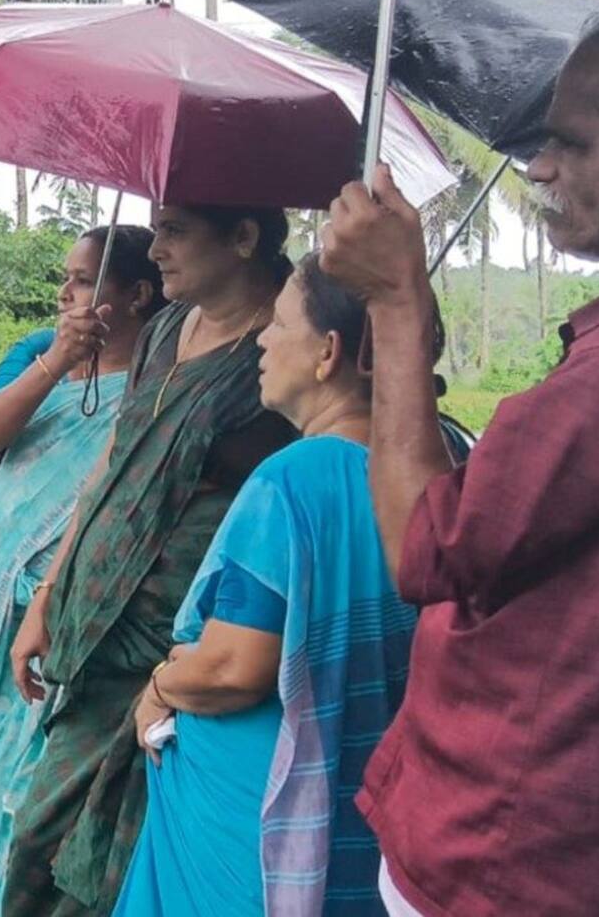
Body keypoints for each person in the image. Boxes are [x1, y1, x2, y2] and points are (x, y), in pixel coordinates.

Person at [323, 0, 599, 916]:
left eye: (572, 142)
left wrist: (397, 305)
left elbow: (425, 548)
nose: (539, 167)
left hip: (506, 855)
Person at [4, 205, 297, 917]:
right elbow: (113, 464)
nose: (156, 247)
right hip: (96, 635)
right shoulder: (168, 328)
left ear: (244, 236)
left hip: (183, 655)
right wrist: (49, 592)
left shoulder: (286, 349)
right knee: (38, 847)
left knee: (121, 867)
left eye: (175, 230)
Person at [115, 255, 421, 917]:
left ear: (328, 353)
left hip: (248, 820)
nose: (262, 340)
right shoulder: (434, 474)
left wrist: (160, 687)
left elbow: (234, 667)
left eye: (279, 324)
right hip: (361, 805)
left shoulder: (295, 478)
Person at [0, 226, 167, 917]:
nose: (64, 292)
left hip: (64, 616)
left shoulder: (157, 382)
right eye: (67, 277)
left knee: (30, 786)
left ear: (137, 295)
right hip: (0, 606)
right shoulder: (35, 351)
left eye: (83, 280)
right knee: (2, 769)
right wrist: (58, 360)